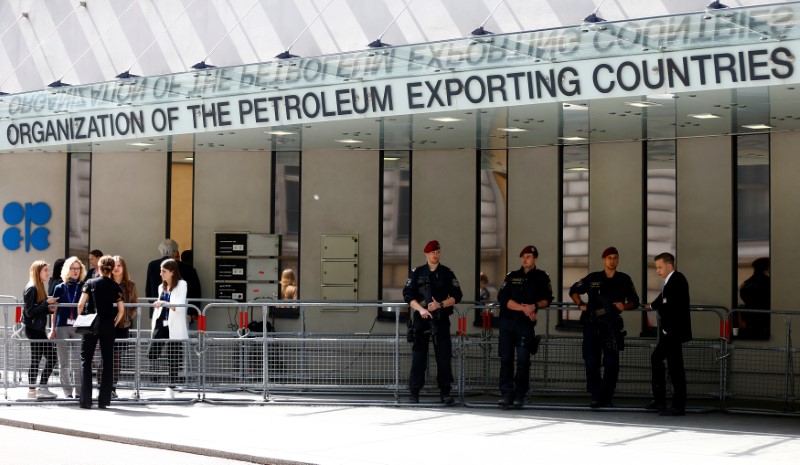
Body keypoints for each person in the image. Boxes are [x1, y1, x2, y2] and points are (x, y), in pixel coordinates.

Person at [570, 246, 640, 408]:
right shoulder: (593, 277)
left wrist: (625, 306)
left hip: (612, 326)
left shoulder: (624, 279)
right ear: (603, 260)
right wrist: (580, 303)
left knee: (611, 363)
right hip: (592, 324)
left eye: (615, 257)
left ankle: (607, 396)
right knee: (591, 361)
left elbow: (635, 301)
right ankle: (596, 395)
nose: (612, 261)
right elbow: (574, 290)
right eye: (609, 258)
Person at [403, 240, 462, 405]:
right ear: (426, 254)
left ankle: (445, 392)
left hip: (441, 318)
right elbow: (408, 295)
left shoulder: (447, 273)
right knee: (418, 356)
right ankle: (414, 392)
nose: (435, 255)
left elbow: (457, 295)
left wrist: (440, 304)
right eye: (432, 252)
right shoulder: (417, 272)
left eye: (437, 252)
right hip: (421, 320)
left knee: (443, 356)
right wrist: (420, 309)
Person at [496, 245, 553, 409]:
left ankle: (519, 395)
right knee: (506, 359)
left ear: (535, 259)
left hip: (525, 325)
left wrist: (534, 306)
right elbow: (503, 298)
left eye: (528, 256)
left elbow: (547, 299)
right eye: (523, 256)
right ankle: (506, 394)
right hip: (508, 322)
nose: (524, 259)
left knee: (523, 360)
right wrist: (525, 308)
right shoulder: (512, 276)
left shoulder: (542, 277)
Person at [647, 252, 692, 416]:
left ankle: (675, 405)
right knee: (665, 362)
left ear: (669, 266)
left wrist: (667, 328)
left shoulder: (677, 280)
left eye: (659, 267)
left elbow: (672, 306)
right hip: (671, 332)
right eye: (656, 267)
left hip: (672, 332)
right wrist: (651, 306)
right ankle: (662, 401)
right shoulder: (670, 282)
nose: (657, 270)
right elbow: (662, 299)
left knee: (674, 367)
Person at [77, 255, 125, 409]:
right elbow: (121, 310)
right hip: (108, 326)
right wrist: (114, 322)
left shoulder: (90, 283)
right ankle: (104, 400)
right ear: (111, 269)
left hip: (91, 325)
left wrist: (82, 317)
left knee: (86, 360)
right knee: (108, 361)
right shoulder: (115, 286)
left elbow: (80, 304)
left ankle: (86, 400)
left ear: (99, 267)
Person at [151, 258, 189, 399]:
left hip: (174, 325)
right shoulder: (161, 287)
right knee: (152, 353)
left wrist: (163, 303)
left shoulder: (181, 284)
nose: (161, 273)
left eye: (164, 271)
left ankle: (171, 385)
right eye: (161, 271)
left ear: (172, 272)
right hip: (162, 324)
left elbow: (177, 306)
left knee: (173, 356)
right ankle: (160, 381)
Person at [49, 257, 86, 398]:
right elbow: (54, 310)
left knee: (78, 360)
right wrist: (52, 329)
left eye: (78, 268)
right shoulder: (60, 287)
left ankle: (79, 392)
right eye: (72, 268)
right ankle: (67, 392)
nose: (75, 271)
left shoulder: (84, 286)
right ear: (67, 270)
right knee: (64, 362)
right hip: (62, 326)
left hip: (78, 327)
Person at [23, 260, 59, 400]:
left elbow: (37, 310)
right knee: (45, 358)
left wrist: (49, 310)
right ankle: (36, 390)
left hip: (37, 328)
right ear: (38, 272)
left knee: (42, 358)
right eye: (45, 270)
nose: (47, 273)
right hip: (34, 329)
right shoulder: (32, 288)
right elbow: (29, 312)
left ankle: (36, 389)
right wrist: (46, 303)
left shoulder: (38, 286)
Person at [111, 255, 139, 398]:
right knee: (104, 357)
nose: (116, 268)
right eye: (113, 265)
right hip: (107, 325)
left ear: (123, 268)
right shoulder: (106, 282)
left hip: (122, 326)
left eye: (119, 265)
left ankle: (112, 388)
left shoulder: (130, 285)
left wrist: (127, 317)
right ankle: (103, 386)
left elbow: (134, 304)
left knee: (117, 358)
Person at [146, 239, 199, 311]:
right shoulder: (186, 267)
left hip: (158, 309)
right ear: (175, 251)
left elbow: (148, 289)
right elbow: (194, 290)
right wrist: (192, 311)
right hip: (179, 309)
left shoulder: (152, 265)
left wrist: (154, 304)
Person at [737, 257, 770, 339]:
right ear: (767, 267)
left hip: (750, 317)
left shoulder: (746, 283)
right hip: (766, 317)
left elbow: (744, 298)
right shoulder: (769, 282)